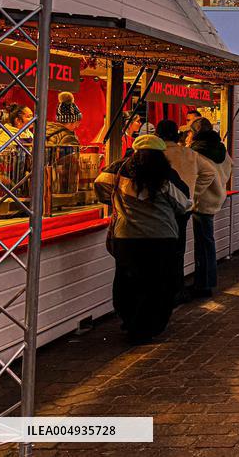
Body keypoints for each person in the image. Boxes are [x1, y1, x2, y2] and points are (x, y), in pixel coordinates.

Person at [95, 134, 191, 343]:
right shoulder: (167, 175)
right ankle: (150, 326)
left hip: (127, 237)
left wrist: (115, 201)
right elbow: (184, 204)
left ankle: (130, 321)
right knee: (157, 283)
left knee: (127, 281)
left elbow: (99, 184)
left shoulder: (118, 171)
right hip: (161, 237)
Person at [156, 119, 217, 302]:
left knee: (159, 249)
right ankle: (176, 289)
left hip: (159, 207)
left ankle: (163, 289)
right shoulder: (189, 153)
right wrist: (193, 192)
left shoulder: (155, 154)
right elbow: (209, 173)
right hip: (183, 207)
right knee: (178, 249)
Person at [189, 128, 233, 297]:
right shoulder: (223, 153)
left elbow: (196, 177)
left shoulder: (197, 154)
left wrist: (193, 194)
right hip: (216, 198)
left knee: (204, 244)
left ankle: (204, 284)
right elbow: (228, 170)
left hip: (201, 202)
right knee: (207, 242)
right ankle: (206, 282)